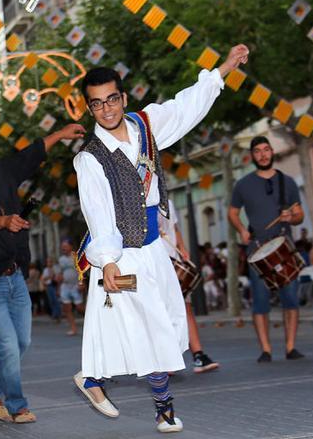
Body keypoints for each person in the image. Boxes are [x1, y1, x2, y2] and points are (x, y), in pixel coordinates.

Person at [72, 44, 248, 432]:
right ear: (89, 109)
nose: (107, 109)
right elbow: (97, 212)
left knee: (164, 323)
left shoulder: (146, 125)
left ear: (123, 96)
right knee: (147, 327)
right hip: (121, 251)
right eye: (97, 104)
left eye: (112, 99)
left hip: (154, 246)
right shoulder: (89, 158)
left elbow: (187, 105)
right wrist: (110, 260)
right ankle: (163, 410)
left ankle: (94, 378)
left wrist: (224, 69)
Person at [0, 123, 84, 423]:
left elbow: (30, 154)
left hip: (15, 276)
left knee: (21, 343)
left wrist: (60, 134)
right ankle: (16, 405)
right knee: (8, 344)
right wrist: (4, 220)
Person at [228, 136, 306, 363]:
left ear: (272, 152)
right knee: (260, 301)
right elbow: (232, 213)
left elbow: (299, 215)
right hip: (257, 250)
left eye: (266, 150)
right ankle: (266, 349)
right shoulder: (243, 184)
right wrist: (242, 230)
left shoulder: (287, 182)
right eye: (258, 151)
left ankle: (291, 346)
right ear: (252, 156)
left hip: (284, 245)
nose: (263, 155)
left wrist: (291, 217)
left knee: (290, 298)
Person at [159, 203, 219, 373]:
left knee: (186, 308)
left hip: (173, 260)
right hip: (156, 264)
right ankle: (165, 360)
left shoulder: (167, 202)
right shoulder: (134, 199)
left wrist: (183, 248)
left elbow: (174, 226)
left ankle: (199, 355)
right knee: (161, 313)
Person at [57, 239, 85, 336]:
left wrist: (81, 283)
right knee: (67, 308)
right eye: (62, 246)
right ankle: (73, 328)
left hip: (75, 285)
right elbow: (60, 273)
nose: (63, 247)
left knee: (79, 307)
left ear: (71, 246)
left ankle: (90, 322)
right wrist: (58, 287)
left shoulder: (76, 257)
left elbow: (82, 271)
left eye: (65, 245)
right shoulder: (61, 259)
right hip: (65, 286)